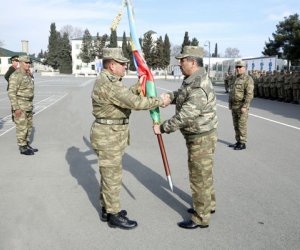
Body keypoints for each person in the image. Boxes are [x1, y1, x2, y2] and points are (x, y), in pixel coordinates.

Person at [90, 48, 170, 230]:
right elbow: (134, 103)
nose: (126, 66)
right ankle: (114, 215)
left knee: (108, 174)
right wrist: (160, 101)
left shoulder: (109, 81)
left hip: (110, 133)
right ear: (112, 65)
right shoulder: (109, 84)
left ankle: (107, 208)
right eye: (122, 63)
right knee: (112, 176)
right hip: (108, 136)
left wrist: (137, 86)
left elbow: (124, 96)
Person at [153, 46, 218, 229]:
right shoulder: (192, 79)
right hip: (199, 134)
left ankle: (201, 217)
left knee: (199, 176)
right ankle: (207, 205)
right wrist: (169, 97)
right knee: (204, 174)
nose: (179, 64)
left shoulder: (198, 85)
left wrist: (163, 128)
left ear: (192, 62)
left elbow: (186, 115)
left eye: (182, 60)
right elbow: (183, 97)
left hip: (201, 137)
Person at [7, 55, 38, 155]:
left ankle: (26, 144)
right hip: (20, 105)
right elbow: (11, 93)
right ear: (20, 63)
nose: (28, 64)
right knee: (21, 127)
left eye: (29, 63)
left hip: (28, 105)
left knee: (28, 126)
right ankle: (22, 147)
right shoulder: (16, 75)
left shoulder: (27, 74)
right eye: (26, 62)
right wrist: (16, 108)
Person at [228, 60, 254, 150]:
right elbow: (231, 92)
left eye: (240, 67)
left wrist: (245, 106)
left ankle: (242, 143)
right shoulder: (235, 78)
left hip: (241, 106)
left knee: (241, 125)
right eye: (237, 67)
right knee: (236, 125)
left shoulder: (248, 79)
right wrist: (230, 104)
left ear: (244, 68)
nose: (238, 69)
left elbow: (249, 94)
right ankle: (238, 141)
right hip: (234, 105)